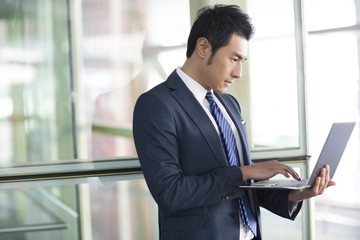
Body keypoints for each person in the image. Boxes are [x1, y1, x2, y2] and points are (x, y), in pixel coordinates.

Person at [133, 4, 335, 240]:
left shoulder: (229, 104)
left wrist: (295, 195)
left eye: (243, 61)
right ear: (203, 47)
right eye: (233, 59)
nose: (239, 72)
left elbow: (242, 187)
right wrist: (244, 171)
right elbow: (170, 192)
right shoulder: (157, 104)